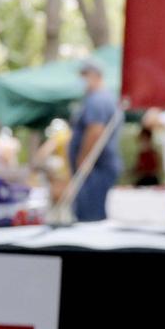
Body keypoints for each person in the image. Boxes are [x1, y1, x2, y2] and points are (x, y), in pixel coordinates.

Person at [67, 59, 121, 222]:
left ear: (95, 75)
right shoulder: (100, 98)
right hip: (96, 168)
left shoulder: (98, 100)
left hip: (95, 169)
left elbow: (95, 131)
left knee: (90, 219)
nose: (82, 79)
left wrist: (83, 161)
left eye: (84, 75)